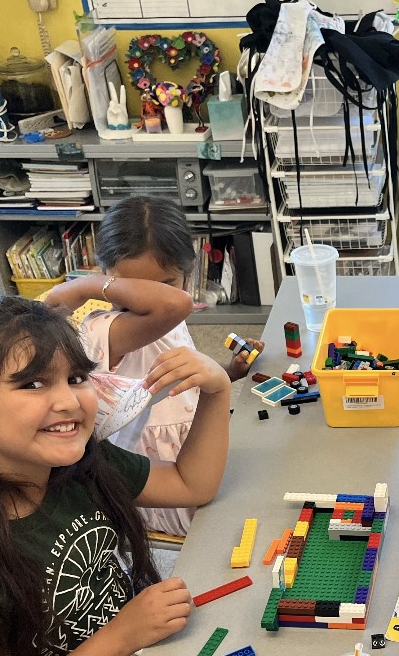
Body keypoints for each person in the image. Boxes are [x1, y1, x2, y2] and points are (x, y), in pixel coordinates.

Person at [0, 296, 232, 656]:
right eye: (33, 384)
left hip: (133, 647)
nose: (69, 401)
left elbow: (193, 484)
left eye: (76, 378)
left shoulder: (78, 465)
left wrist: (216, 391)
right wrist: (121, 636)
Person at [44, 195, 263, 536]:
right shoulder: (103, 330)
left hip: (198, 441)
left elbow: (175, 378)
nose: (150, 298)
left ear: (187, 274)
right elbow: (176, 304)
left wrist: (227, 371)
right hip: (165, 477)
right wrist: (82, 286)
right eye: (133, 287)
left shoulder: (164, 316)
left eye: (165, 284)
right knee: (240, 525)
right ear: (107, 278)